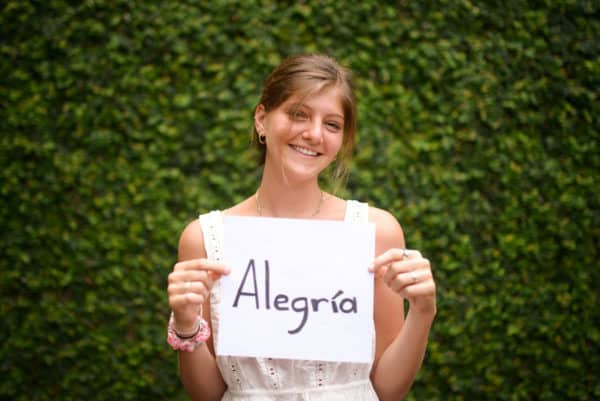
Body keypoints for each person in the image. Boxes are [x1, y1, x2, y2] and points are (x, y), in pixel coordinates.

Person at [166, 54, 437, 401]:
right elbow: (208, 395)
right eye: (298, 114)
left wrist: (423, 311)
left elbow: (386, 390)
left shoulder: (374, 231)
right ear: (262, 119)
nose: (313, 134)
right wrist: (186, 326)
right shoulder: (205, 238)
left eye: (332, 124)